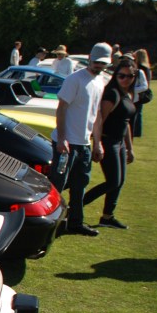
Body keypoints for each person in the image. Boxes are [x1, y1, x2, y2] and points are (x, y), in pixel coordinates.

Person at [49, 42, 112, 237]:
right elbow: (61, 109)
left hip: (83, 143)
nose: (99, 66)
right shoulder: (75, 79)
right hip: (67, 143)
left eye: (103, 63)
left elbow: (96, 115)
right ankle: (49, 224)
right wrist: (61, 139)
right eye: (97, 62)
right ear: (90, 58)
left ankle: (75, 222)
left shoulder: (100, 82)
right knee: (58, 184)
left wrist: (97, 142)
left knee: (80, 185)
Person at [82, 58, 136, 229]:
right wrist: (97, 144)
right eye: (121, 76)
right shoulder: (112, 93)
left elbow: (125, 122)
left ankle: (107, 216)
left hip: (119, 142)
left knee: (119, 181)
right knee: (113, 181)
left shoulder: (128, 93)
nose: (126, 79)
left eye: (130, 76)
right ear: (115, 75)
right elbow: (99, 121)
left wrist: (130, 147)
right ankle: (74, 207)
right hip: (108, 140)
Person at [131, 49, 152, 137]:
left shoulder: (141, 68)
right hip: (141, 92)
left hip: (140, 93)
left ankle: (136, 131)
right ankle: (137, 131)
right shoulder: (147, 67)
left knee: (137, 112)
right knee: (138, 112)